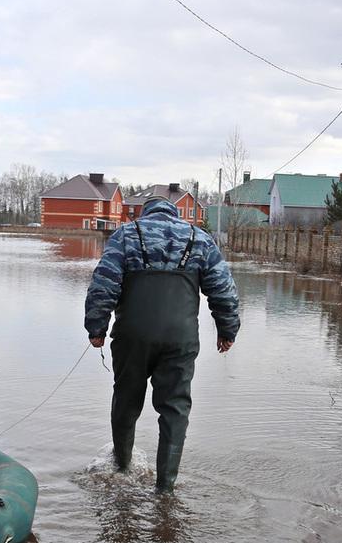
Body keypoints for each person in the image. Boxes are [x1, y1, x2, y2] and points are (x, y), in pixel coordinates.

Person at [84, 196, 241, 492]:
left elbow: (104, 283)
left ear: (145, 213)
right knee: (174, 408)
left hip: (132, 336)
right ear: (174, 213)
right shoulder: (199, 238)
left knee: (127, 399)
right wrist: (227, 329)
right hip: (179, 339)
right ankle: (165, 488)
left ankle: (121, 468)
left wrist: (97, 326)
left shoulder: (127, 235)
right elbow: (223, 288)